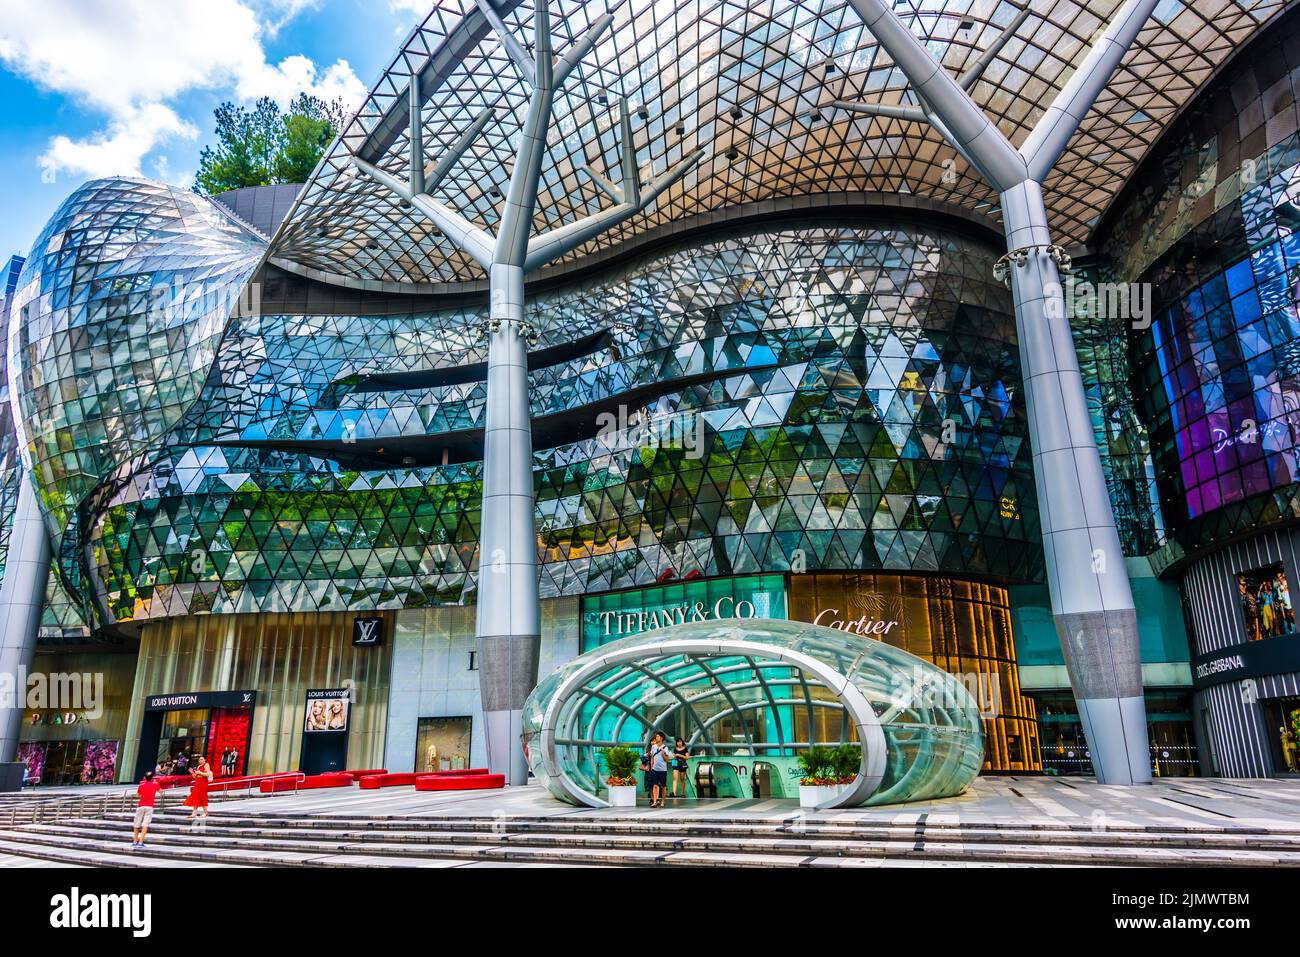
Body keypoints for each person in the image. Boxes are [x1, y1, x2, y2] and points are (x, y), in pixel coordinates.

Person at [132, 771, 162, 849]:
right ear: (152, 777)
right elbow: (160, 791)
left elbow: (138, 794)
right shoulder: (155, 784)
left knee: (136, 824)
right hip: (149, 806)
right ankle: (141, 842)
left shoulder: (141, 785)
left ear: (145, 777)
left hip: (141, 806)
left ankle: (135, 842)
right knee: (145, 825)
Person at [183, 755, 214, 830]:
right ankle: (197, 813)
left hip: (203, 782)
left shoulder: (206, 765)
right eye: (199, 759)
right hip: (198, 782)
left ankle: (201, 812)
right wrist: (192, 773)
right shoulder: (198, 766)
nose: (200, 760)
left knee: (202, 796)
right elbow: (195, 776)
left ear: (204, 760)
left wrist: (199, 772)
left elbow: (207, 774)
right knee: (196, 796)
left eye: (202, 759)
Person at [645, 731, 671, 808]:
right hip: (654, 770)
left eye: (658, 736)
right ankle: (655, 801)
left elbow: (667, 760)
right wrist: (652, 766)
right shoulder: (653, 747)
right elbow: (652, 757)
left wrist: (663, 754)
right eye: (656, 736)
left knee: (663, 786)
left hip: (663, 770)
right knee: (655, 785)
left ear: (661, 738)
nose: (656, 738)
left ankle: (663, 801)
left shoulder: (665, 748)